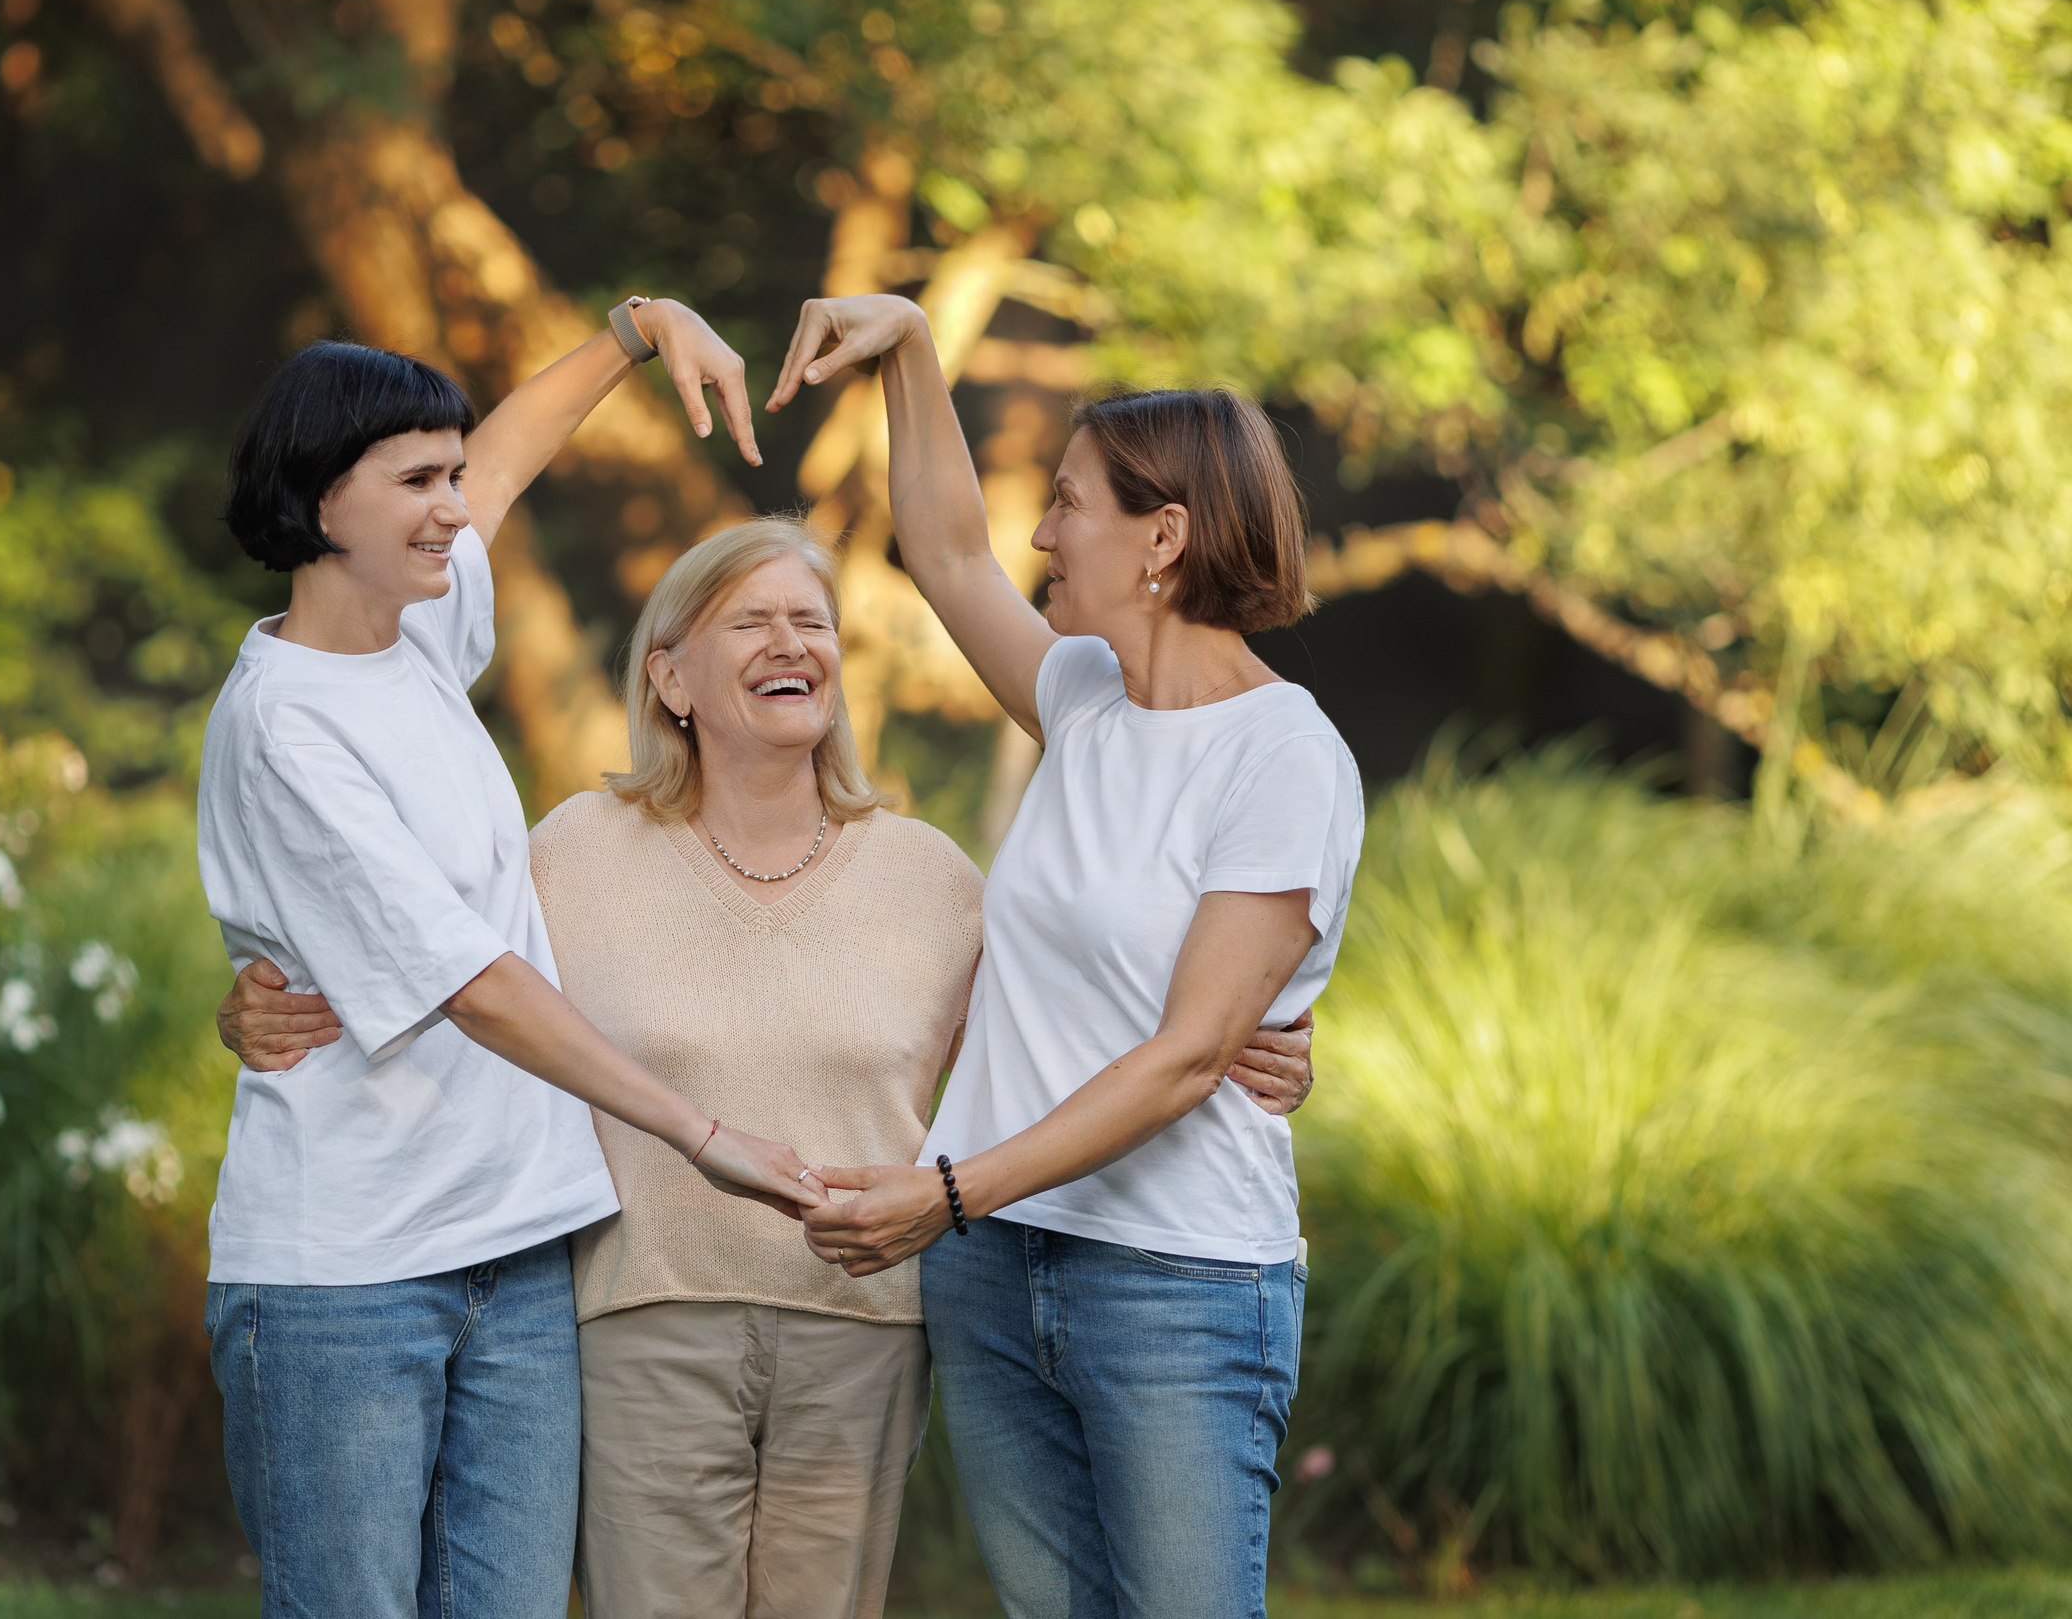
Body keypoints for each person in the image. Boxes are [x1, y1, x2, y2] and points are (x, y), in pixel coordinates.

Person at [218, 518, 1321, 1618]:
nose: (791, 643)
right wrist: (261, 1001)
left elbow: (1067, 1016)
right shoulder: (568, 854)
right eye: (750, 621)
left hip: (864, 1326)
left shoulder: (931, 877)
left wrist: (1252, 1038)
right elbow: (439, 962)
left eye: (812, 622)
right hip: (640, 1313)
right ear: (671, 677)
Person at [194, 299, 822, 1619]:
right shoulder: (284, 726)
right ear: (320, 502)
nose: (451, 504)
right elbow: (473, 984)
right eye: (416, 480)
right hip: (347, 1279)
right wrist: (704, 1134)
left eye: (447, 473)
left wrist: (634, 334)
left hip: (516, 1249)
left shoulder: (407, 636)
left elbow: (508, 461)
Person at [770, 296, 1366, 1619]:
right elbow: (939, 546)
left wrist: (948, 1187)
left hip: (1173, 1278)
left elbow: (1192, 1053)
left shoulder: (1284, 754)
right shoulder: (1084, 701)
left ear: (1166, 536)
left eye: (1069, 504)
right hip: (993, 1267)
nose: (1039, 534)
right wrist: (915, 348)